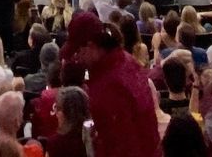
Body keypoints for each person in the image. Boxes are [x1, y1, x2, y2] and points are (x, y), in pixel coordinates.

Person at [62, 13, 156, 157]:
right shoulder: (126, 61)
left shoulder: (109, 85)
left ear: (91, 45)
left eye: (78, 52)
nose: (77, 59)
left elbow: (124, 146)